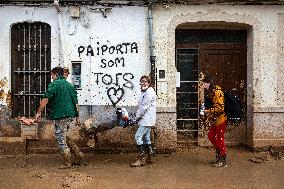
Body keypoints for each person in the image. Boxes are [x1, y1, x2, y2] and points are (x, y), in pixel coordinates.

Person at [35, 66, 84, 168]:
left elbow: (45, 100)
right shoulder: (70, 86)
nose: (52, 78)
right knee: (64, 135)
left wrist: (38, 112)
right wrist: (78, 117)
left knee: (60, 138)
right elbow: (75, 103)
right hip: (70, 115)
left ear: (56, 74)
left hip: (61, 115)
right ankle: (78, 155)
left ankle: (67, 162)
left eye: (52, 75)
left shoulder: (54, 85)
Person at [202, 75, 228, 167]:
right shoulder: (212, 91)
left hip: (221, 119)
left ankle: (222, 159)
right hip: (216, 119)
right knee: (211, 136)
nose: (203, 85)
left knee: (220, 139)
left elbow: (220, 108)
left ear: (209, 83)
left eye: (204, 83)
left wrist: (208, 111)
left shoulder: (217, 92)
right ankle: (219, 154)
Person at [131, 75, 156, 167]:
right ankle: (151, 157)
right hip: (147, 120)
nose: (143, 83)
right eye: (141, 81)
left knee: (138, 136)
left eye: (145, 81)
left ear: (149, 83)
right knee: (146, 138)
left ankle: (141, 159)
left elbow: (143, 108)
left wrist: (135, 118)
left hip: (146, 120)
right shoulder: (145, 92)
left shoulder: (149, 93)